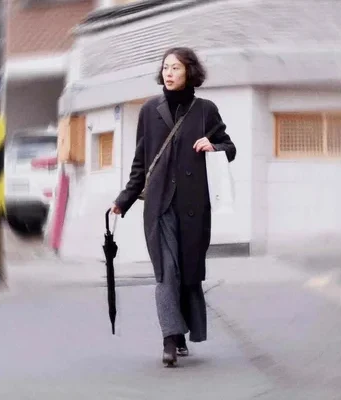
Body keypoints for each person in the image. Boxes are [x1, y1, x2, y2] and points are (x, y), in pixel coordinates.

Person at [111, 47, 236, 367]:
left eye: (176, 68)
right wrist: (125, 199)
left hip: (194, 207)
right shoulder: (149, 110)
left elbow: (230, 148)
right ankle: (169, 337)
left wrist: (214, 145)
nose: (169, 73)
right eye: (166, 67)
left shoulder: (205, 110)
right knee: (167, 272)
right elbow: (141, 163)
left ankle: (180, 333)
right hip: (159, 207)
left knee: (187, 273)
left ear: (189, 72)